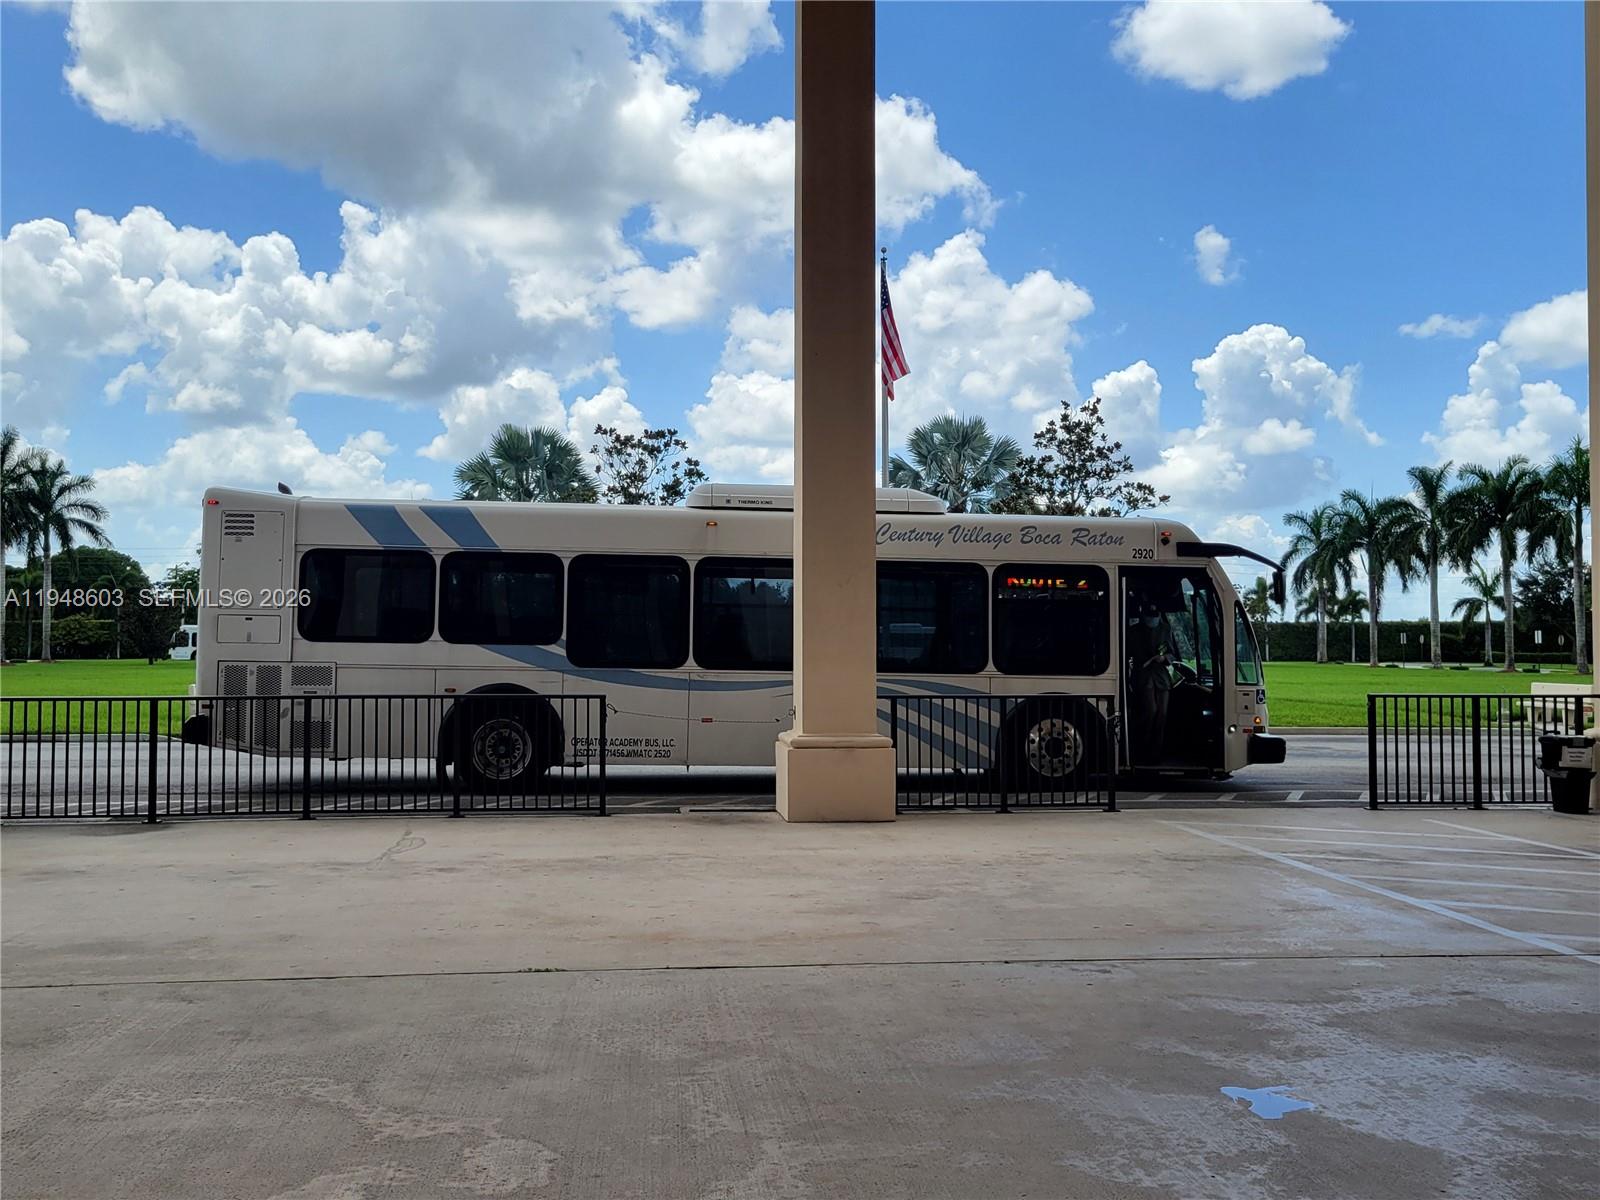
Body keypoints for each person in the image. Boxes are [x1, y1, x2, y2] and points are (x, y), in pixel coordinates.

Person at [1128, 598, 1176, 761]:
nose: (1152, 618)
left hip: (1161, 676)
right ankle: (1143, 747)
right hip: (1143, 675)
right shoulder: (1134, 631)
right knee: (1150, 711)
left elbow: (1171, 652)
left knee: (1162, 713)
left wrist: (1164, 659)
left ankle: (1157, 750)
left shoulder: (1165, 629)